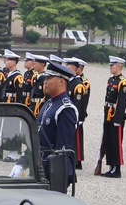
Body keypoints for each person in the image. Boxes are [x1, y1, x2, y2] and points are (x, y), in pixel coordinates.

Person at [10, 55, 78, 185]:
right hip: (39, 168)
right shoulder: (48, 104)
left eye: (49, 78)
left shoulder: (65, 108)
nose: (45, 82)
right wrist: (22, 162)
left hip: (53, 171)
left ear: (61, 81)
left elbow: (62, 150)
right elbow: (37, 137)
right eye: (45, 78)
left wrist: (55, 176)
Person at [100, 56, 126, 178]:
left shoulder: (123, 82)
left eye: (112, 65)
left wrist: (118, 119)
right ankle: (111, 166)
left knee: (116, 142)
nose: (110, 67)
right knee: (108, 141)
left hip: (115, 115)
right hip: (108, 113)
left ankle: (117, 168)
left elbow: (122, 102)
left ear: (119, 66)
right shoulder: (111, 80)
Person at [64, 57, 89, 169]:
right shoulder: (70, 81)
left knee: (75, 139)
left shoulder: (78, 84)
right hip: (68, 114)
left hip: (74, 115)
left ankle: (76, 160)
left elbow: (78, 103)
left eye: (68, 67)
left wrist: (78, 117)